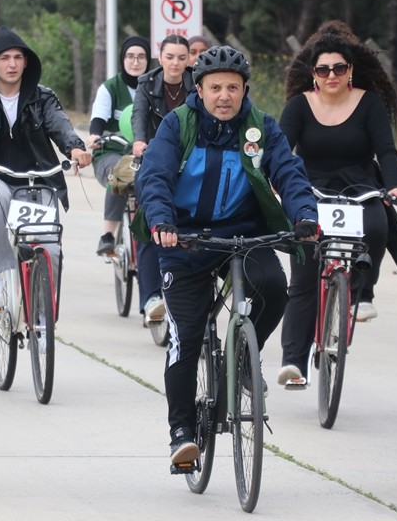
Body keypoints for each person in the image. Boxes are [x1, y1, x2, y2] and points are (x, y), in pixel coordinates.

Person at [134, 46, 320, 466]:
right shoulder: (177, 125)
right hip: (183, 240)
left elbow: (288, 173)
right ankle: (181, 432)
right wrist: (162, 222)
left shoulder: (260, 128)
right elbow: (156, 175)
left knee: (274, 286)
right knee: (184, 337)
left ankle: (242, 359)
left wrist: (305, 215)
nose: (224, 96)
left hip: (243, 234)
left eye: (232, 88)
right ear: (198, 90)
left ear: (244, 90)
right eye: (215, 87)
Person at [277, 22, 397, 387]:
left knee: (378, 223)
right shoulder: (299, 106)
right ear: (313, 74)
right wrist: (276, 187)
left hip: (360, 184)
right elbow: (280, 152)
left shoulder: (369, 103)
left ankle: (361, 294)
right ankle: (294, 363)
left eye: (339, 68)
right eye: (323, 69)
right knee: (303, 276)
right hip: (309, 188)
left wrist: (394, 186)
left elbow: (386, 149)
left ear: (350, 70)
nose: (331, 75)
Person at [0, 26, 91, 309]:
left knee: (49, 247)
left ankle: (42, 316)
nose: (12, 64)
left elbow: (59, 125)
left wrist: (75, 146)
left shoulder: (43, 97)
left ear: (26, 62)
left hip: (37, 181)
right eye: (4, 58)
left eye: (17, 57)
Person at [129, 34, 196, 326]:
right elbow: (139, 116)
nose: (176, 63)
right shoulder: (147, 83)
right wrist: (140, 141)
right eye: (170, 57)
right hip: (156, 159)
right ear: (160, 56)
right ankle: (151, 299)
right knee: (150, 222)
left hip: (193, 160)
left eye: (182, 58)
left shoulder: (197, 82)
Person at [88, 35, 149, 258]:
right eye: (130, 56)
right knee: (120, 175)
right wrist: (95, 135)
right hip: (112, 151)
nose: (135, 62)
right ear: (123, 59)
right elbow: (98, 119)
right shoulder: (110, 88)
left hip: (146, 153)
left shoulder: (155, 85)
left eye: (141, 57)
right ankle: (108, 236)